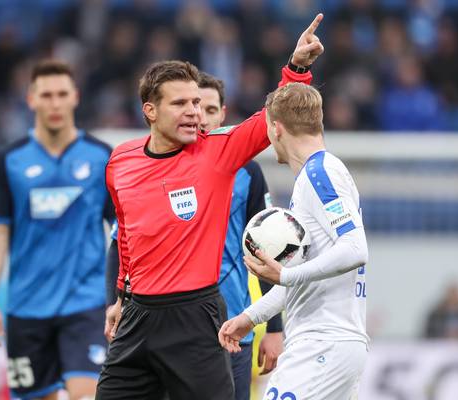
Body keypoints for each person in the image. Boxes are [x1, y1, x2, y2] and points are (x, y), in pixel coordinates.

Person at [97, 14, 324, 400]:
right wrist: (120, 296)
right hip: (137, 319)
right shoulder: (121, 161)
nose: (194, 112)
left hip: (196, 317)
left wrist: (296, 69)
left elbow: (268, 119)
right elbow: (128, 238)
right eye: (180, 103)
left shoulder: (216, 154)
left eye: (197, 103)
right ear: (150, 111)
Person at [218, 82, 369, 400]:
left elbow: (355, 248)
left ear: (276, 128)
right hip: (327, 343)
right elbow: (306, 277)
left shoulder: (320, 174)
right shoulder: (316, 175)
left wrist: (285, 275)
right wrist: (250, 318)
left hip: (323, 344)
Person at [0, 60, 114, 400]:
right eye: (47, 95)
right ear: (31, 99)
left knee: (88, 394)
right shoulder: (9, 160)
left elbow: (121, 230)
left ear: (75, 97)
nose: (55, 103)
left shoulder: (101, 157)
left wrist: (124, 294)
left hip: (86, 304)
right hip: (27, 307)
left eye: (62, 94)